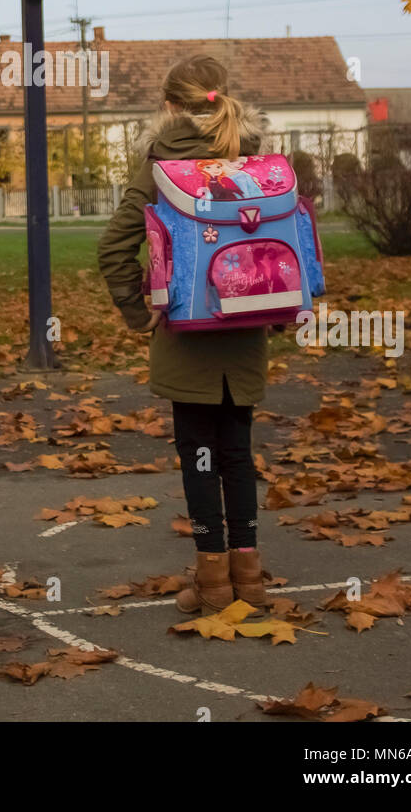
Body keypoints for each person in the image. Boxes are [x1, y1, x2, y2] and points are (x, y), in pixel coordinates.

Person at [98, 54, 270, 614]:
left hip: (184, 329)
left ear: (170, 106)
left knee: (198, 453)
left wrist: (134, 309)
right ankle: (250, 578)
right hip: (244, 328)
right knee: (237, 454)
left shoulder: (159, 164)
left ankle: (213, 582)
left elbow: (113, 246)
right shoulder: (258, 160)